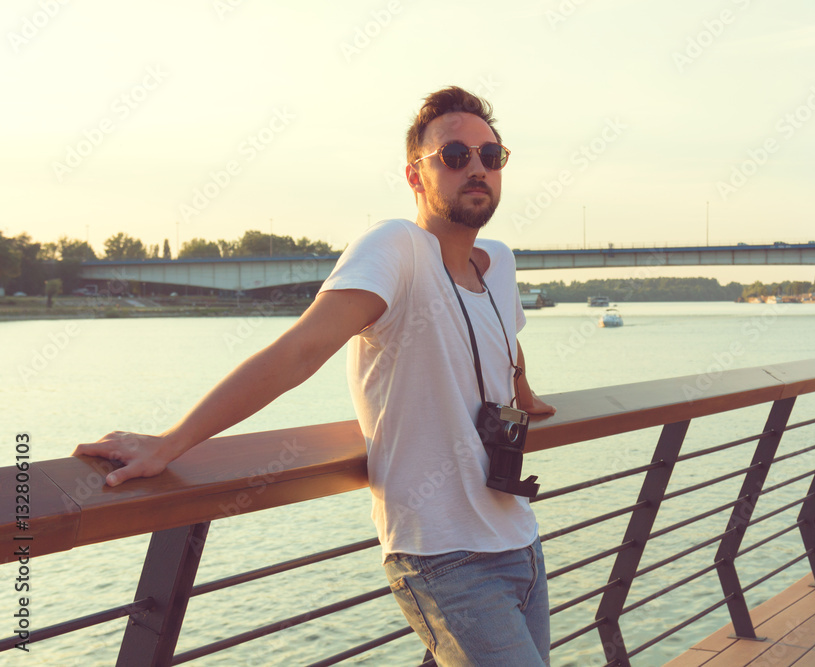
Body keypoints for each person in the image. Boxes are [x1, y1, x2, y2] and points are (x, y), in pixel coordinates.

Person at [74, 86, 556, 666]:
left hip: (520, 539)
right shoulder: (395, 247)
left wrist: (526, 396)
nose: (476, 167)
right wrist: (171, 443)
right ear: (415, 175)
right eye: (454, 155)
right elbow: (298, 352)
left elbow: (509, 341)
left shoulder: (496, 260)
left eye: (490, 155)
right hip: (444, 556)